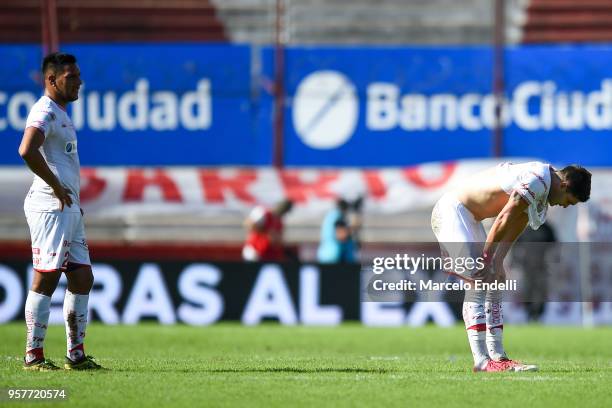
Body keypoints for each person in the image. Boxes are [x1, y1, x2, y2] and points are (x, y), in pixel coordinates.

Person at [431, 161, 590, 372]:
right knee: (478, 280)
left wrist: (498, 261)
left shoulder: (542, 190)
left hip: (469, 217)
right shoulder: (538, 179)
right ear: (563, 186)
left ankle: (498, 356)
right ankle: (481, 361)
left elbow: (518, 221)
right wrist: (487, 257)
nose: (564, 206)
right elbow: (504, 216)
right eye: (568, 201)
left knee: (495, 280)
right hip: (452, 211)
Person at [18, 52, 101, 371]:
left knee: (82, 277)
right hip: (50, 207)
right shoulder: (45, 112)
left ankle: (75, 355)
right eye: (72, 77)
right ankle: (33, 355)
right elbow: (26, 149)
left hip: (68, 207)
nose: (79, 82)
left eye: (79, 75)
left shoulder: (60, 113)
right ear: (51, 80)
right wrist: (54, 185)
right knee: (47, 277)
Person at [317, 198, 358, 263]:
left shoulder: (330, 216)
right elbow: (341, 235)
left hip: (324, 254)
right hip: (333, 255)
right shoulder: (338, 217)